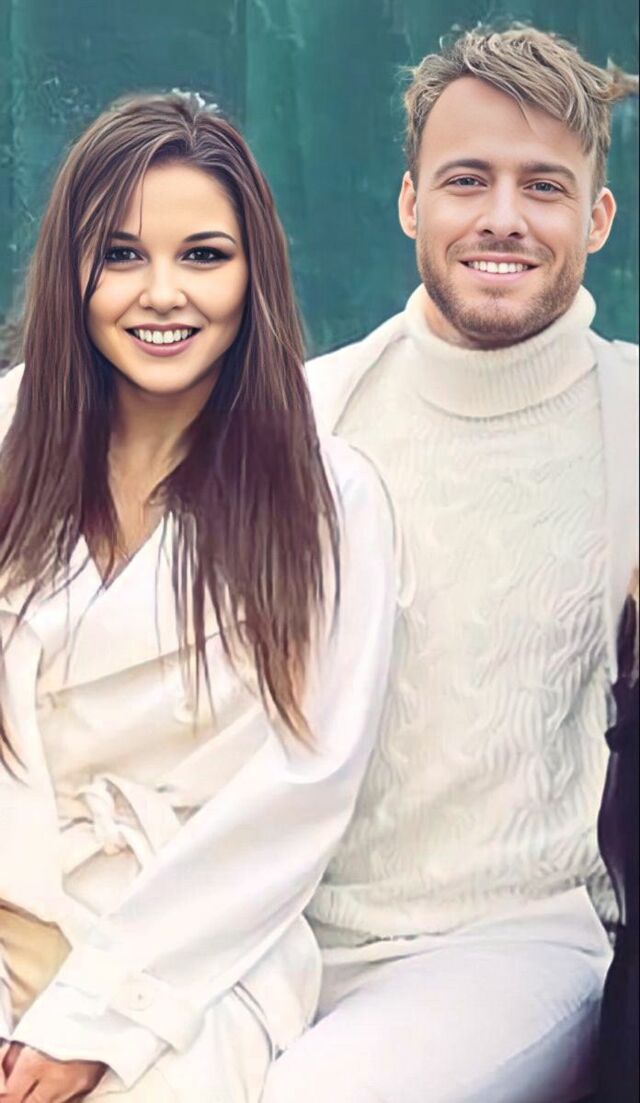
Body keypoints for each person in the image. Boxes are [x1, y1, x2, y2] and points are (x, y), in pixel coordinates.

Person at [263, 26, 639, 1103]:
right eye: (467, 179)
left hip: (512, 943)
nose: (503, 217)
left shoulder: (630, 416)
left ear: (597, 218)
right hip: (276, 934)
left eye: (544, 186)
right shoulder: (308, 409)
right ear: (410, 202)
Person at [0, 92, 396, 1102]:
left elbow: (304, 788)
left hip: (193, 951)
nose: (163, 293)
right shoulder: (8, 432)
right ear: (70, 270)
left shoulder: (329, 495)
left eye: (204, 255)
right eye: (122, 254)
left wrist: (102, 1012)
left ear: (254, 271)